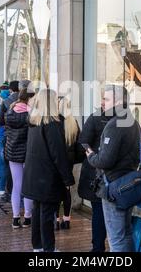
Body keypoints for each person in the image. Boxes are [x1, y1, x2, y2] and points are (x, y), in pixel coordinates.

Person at [86, 85, 141, 252]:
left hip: (114, 187)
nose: (103, 103)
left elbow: (105, 160)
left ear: (118, 102)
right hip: (129, 184)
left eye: (106, 99)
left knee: (116, 238)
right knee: (126, 232)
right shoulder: (132, 122)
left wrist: (91, 156)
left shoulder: (115, 124)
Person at [22, 89, 75, 252]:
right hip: (47, 178)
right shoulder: (53, 125)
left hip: (34, 176)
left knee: (38, 212)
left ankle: (38, 246)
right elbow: (58, 155)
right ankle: (48, 249)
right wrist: (68, 179)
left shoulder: (33, 122)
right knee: (45, 214)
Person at [77, 96, 113, 252]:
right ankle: (98, 247)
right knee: (99, 211)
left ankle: (105, 248)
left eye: (106, 99)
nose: (102, 102)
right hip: (96, 176)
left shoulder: (126, 120)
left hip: (114, 176)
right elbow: (83, 142)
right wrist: (94, 156)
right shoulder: (95, 118)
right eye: (102, 99)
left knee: (111, 214)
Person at [5, 88, 35, 229]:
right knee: (28, 185)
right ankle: (28, 217)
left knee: (17, 185)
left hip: (13, 153)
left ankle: (16, 218)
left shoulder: (10, 112)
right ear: (29, 98)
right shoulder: (31, 114)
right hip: (28, 154)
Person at [55, 96, 82, 231]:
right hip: (69, 162)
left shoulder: (55, 122)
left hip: (56, 162)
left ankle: (56, 219)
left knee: (55, 192)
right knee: (66, 191)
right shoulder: (73, 122)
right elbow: (79, 145)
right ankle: (66, 220)